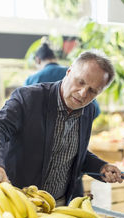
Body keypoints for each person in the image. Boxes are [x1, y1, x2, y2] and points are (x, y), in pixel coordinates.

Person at [0, 50, 124, 206]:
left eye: (92, 91)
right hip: (19, 203)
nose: (83, 94)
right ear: (69, 72)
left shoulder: (87, 110)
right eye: (80, 82)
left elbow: (71, 152)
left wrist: (101, 167)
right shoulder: (29, 98)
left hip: (61, 206)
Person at [24, 42, 101, 199]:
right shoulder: (76, 74)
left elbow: (23, 118)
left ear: (38, 60)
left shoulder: (33, 79)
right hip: (69, 175)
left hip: (34, 177)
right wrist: (73, 124)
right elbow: (95, 110)